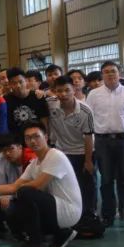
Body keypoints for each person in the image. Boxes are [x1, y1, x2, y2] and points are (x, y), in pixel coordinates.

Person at [0, 121, 82, 247]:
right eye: (28, 138)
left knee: (25, 193)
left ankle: (36, 245)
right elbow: (12, 186)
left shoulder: (55, 156)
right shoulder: (34, 164)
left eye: (36, 136)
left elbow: (37, 186)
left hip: (68, 210)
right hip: (55, 209)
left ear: (46, 137)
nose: (32, 141)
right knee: (19, 203)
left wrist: (16, 190)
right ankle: (61, 233)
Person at [86, 60, 124, 227]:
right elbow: (89, 119)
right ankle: (108, 216)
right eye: (106, 72)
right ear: (102, 75)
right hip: (102, 141)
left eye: (113, 71)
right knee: (106, 180)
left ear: (119, 73)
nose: (110, 74)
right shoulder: (93, 95)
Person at [47, 76, 97, 218]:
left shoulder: (85, 111)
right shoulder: (50, 104)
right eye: (59, 91)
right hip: (62, 153)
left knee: (86, 186)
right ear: (55, 91)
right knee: (64, 187)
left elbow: (88, 137)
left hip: (82, 152)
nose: (63, 94)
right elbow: (38, 97)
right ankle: (67, 216)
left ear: (74, 90)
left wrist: (88, 161)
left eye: (67, 90)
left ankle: (89, 215)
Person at [3, 68, 49, 137]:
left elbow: (44, 121)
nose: (18, 85)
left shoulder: (37, 97)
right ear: (9, 84)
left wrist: (45, 136)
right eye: (14, 83)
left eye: (20, 82)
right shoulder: (6, 100)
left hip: (37, 137)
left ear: (26, 81)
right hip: (17, 139)